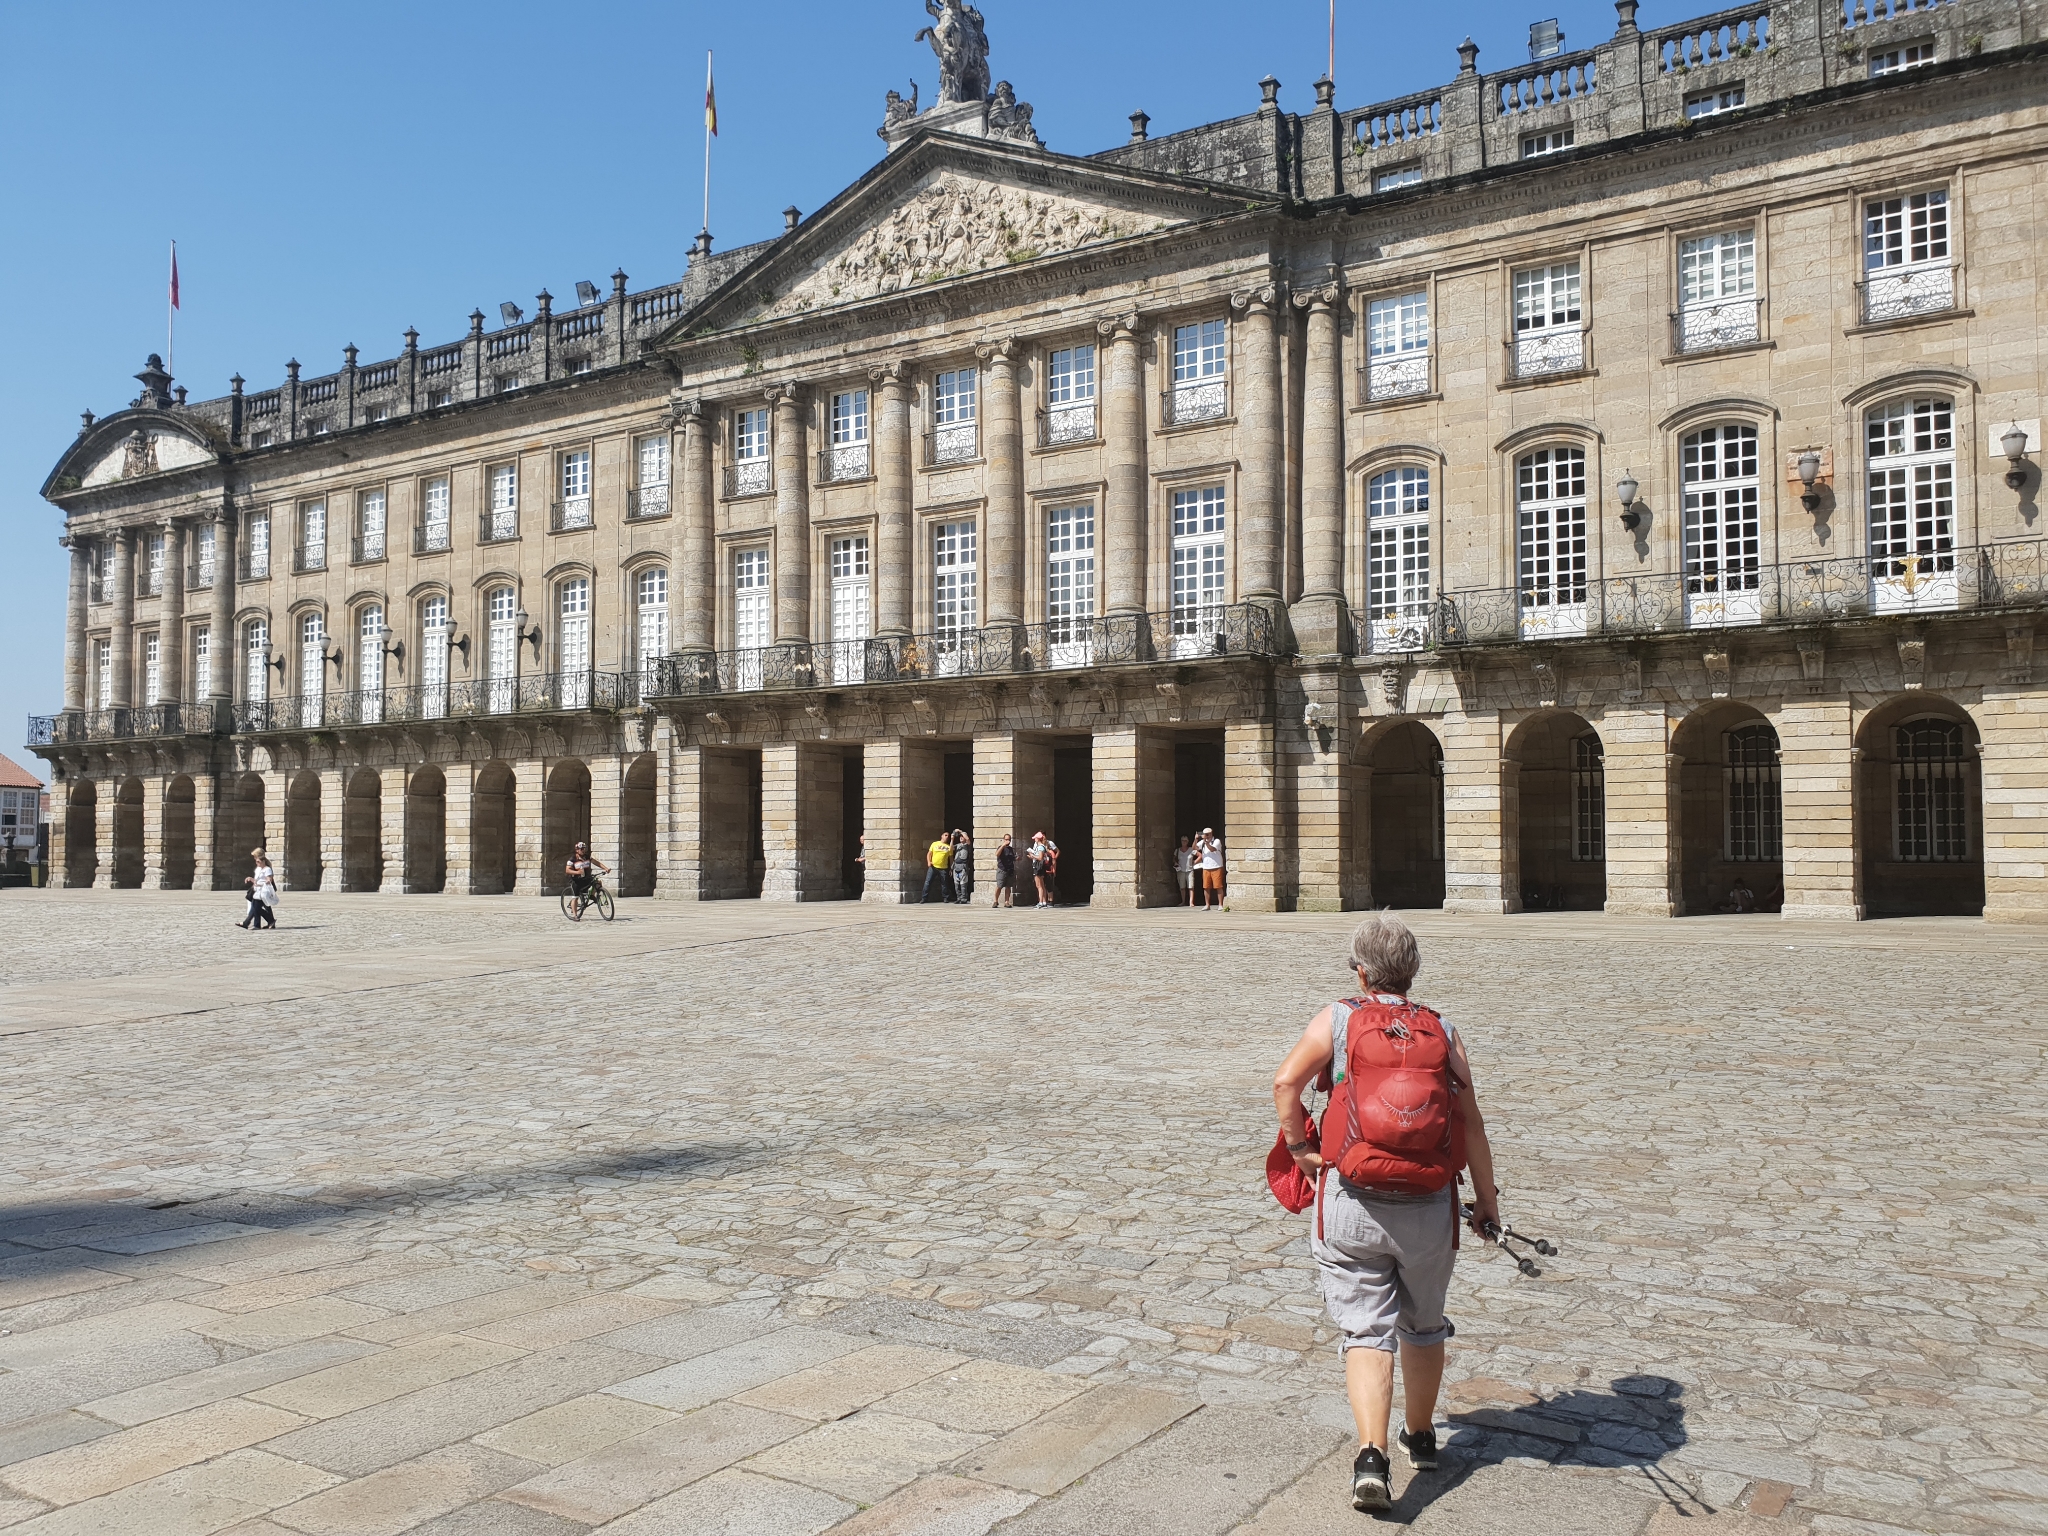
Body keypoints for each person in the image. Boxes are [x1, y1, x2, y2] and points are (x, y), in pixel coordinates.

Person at [1271, 915, 1500, 1512]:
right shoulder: (1442, 1030)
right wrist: (1488, 1202)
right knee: (1424, 1323)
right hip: (1429, 1206)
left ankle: (1371, 1456)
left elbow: (1285, 1082)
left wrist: (1301, 1150)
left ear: (1361, 970)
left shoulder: (1341, 1018)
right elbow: (1471, 1122)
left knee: (1366, 1330)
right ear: (1414, 970)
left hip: (1351, 1197)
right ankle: (1420, 1436)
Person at [565, 841, 610, 909]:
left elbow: (596, 862)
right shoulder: (572, 859)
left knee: (598, 882)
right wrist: (577, 873)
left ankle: (592, 895)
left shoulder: (587, 857)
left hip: (586, 877)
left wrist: (605, 868)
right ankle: (573, 907)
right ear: (577, 850)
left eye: (584, 848)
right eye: (581, 849)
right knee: (576, 895)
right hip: (576, 879)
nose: (583, 850)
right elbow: (567, 870)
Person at [243, 849, 278, 929]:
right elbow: (258, 878)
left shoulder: (267, 868)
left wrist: (266, 881)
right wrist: (253, 880)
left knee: (257, 907)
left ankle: (253, 923)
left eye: (255, 857)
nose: (255, 859)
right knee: (262, 906)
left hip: (264, 891)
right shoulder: (259, 868)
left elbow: (269, 879)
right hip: (258, 890)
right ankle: (267, 922)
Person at [1194, 827, 1225, 909]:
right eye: (1205, 834)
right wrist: (1196, 839)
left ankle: (1220, 905)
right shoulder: (1202, 842)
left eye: (1208, 834)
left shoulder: (1216, 841)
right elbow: (1194, 848)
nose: (1206, 836)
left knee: (1218, 886)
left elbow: (1212, 849)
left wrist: (1207, 842)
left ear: (1211, 834)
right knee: (1206, 887)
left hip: (1216, 866)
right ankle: (1207, 904)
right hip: (1206, 867)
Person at [923, 830, 953, 903]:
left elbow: (951, 858)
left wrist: (951, 868)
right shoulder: (934, 844)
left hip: (943, 868)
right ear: (942, 836)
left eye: (948, 836)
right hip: (933, 867)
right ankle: (924, 898)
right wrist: (929, 862)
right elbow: (929, 854)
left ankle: (945, 898)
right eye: (945, 835)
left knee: (944, 884)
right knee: (928, 882)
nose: (947, 837)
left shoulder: (949, 847)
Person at [1027, 832, 1053, 908]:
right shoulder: (1041, 846)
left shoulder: (1040, 847)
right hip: (1040, 867)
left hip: (1038, 867)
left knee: (1039, 885)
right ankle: (1044, 902)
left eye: (1035, 838)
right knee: (1041, 885)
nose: (1034, 839)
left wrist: (1032, 856)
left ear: (1038, 839)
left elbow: (1040, 858)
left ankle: (1040, 902)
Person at [992, 832, 1016, 908]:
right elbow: (997, 854)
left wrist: (1017, 858)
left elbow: (1013, 858)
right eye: (1006, 839)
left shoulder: (1011, 849)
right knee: (999, 886)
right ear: (1003, 840)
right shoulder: (1001, 847)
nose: (1007, 841)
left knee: (1008, 886)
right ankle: (995, 901)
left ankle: (1007, 902)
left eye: (1008, 840)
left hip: (1010, 870)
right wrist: (1003, 846)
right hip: (1002, 869)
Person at [1173, 835, 1198, 908]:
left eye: (1185, 841)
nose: (1184, 842)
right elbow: (1173, 858)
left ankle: (1191, 902)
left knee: (1191, 886)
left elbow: (1200, 855)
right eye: (1182, 841)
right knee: (1182, 887)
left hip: (1189, 870)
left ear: (1187, 842)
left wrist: (1195, 861)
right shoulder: (1177, 850)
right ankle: (1183, 901)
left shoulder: (1191, 849)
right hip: (1181, 870)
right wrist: (1175, 863)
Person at [950, 829, 974, 904]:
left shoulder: (967, 845)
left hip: (963, 866)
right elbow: (951, 849)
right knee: (956, 883)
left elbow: (967, 839)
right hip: (956, 865)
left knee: (963, 883)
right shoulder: (957, 845)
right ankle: (958, 897)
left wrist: (960, 831)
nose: (961, 837)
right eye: (960, 836)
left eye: (962, 836)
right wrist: (952, 839)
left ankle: (964, 898)